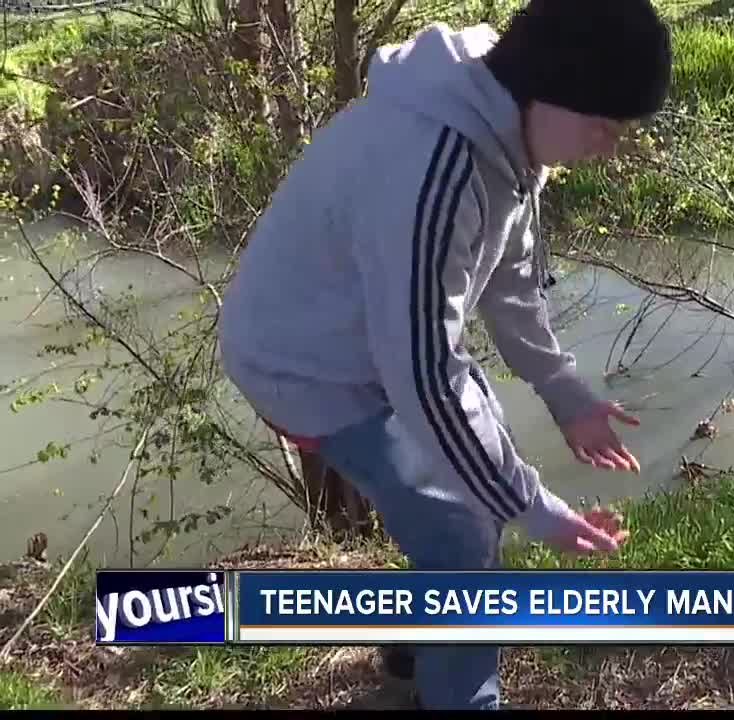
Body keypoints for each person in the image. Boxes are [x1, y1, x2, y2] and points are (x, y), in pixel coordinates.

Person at [215, 0, 673, 710]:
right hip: (306, 365)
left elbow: (510, 278)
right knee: (464, 527)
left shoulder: (503, 122)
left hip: (369, 341)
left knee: (472, 488)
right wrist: (535, 508)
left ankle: (411, 662)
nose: (608, 149)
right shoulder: (437, 166)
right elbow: (426, 378)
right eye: (603, 125)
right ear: (551, 88)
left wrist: (563, 390)